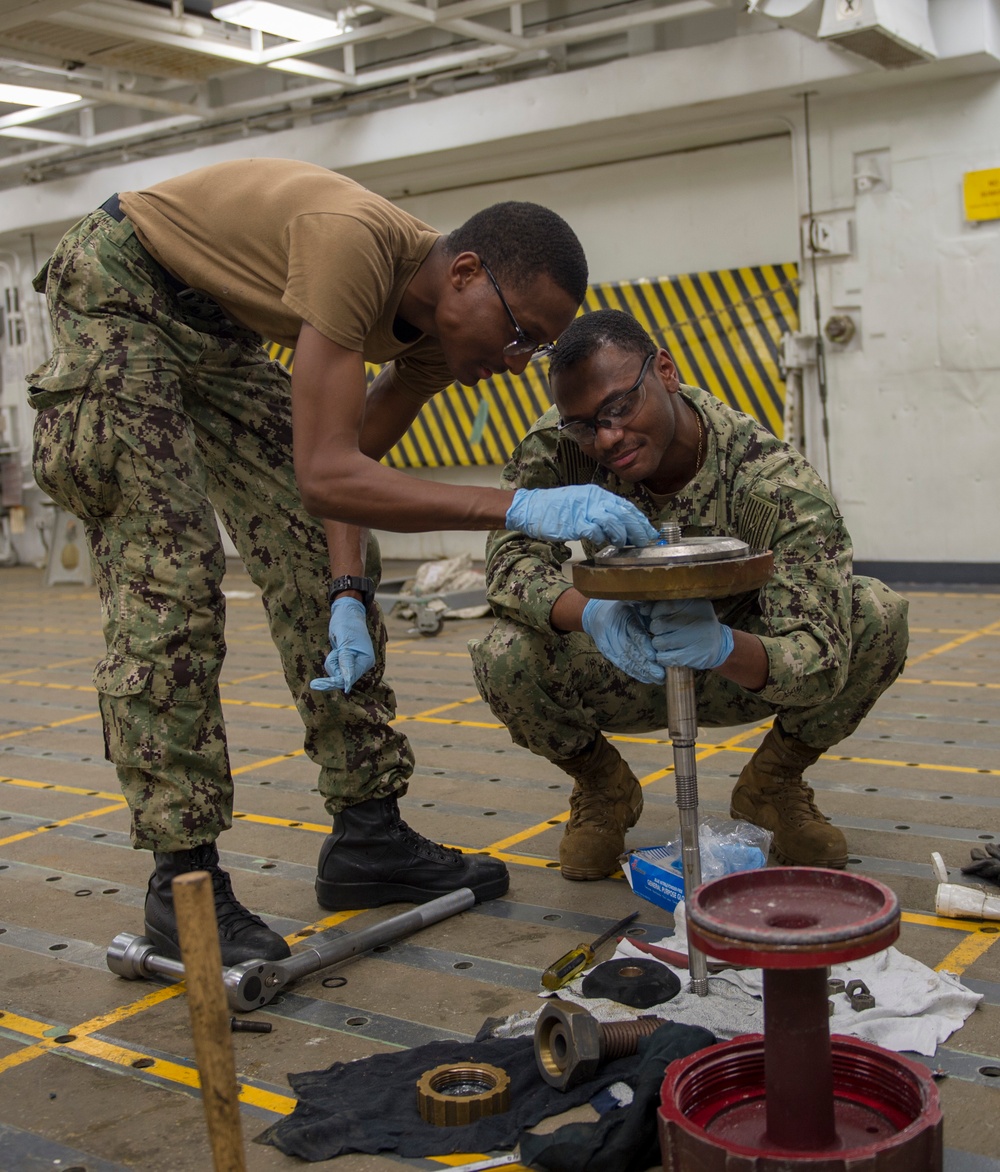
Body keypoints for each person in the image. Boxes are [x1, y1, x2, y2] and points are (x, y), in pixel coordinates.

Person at [26, 160, 658, 964]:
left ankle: (368, 835)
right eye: (519, 332)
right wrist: (518, 506)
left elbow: (346, 474)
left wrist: (348, 592)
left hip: (219, 329)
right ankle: (180, 881)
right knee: (172, 574)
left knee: (312, 549)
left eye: (532, 347)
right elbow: (327, 471)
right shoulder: (352, 245)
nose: (516, 359)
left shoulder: (431, 340)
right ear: (463, 273)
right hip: (122, 284)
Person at [470, 308, 909, 879]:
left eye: (621, 406)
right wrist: (594, 614)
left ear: (667, 372)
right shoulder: (560, 450)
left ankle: (773, 784)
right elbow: (508, 565)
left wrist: (723, 646)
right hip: (625, 662)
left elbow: (821, 660)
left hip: (742, 665)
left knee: (876, 615)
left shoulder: (770, 479)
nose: (607, 437)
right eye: (584, 423)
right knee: (504, 655)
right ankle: (603, 789)